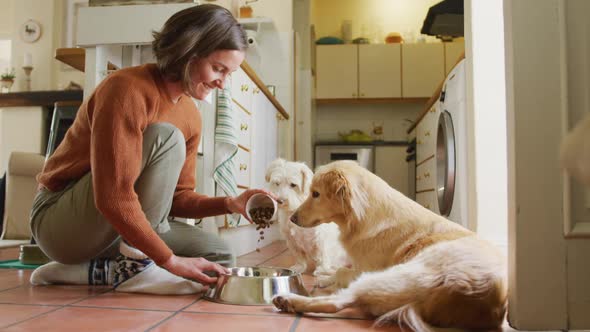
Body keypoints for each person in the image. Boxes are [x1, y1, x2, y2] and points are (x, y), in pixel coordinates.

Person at [29, 4, 273, 291]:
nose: (222, 83)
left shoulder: (190, 114)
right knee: (165, 136)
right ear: (187, 53)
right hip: (60, 222)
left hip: (113, 227)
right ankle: (137, 267)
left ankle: (101, 271)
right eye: (218, 69)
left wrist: (229, 203)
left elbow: (177, 199)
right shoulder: (125, 88)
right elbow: (113, 198)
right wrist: (170, 261)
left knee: (218, 256)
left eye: (228, 73)